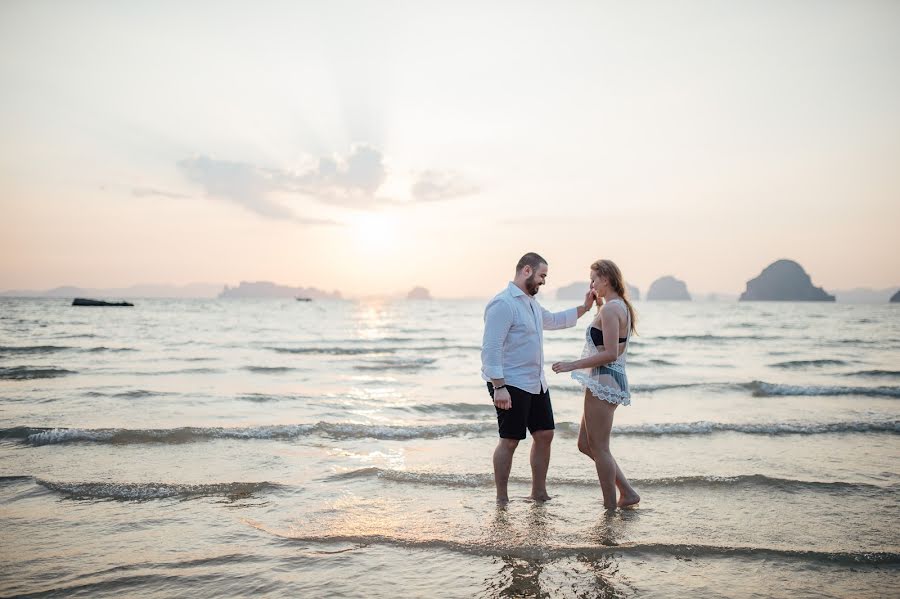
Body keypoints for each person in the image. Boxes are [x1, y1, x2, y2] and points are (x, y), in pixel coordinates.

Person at [481, 252, 594, 503]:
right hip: (509, 382)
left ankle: (538, 493)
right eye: (542, 275)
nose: (543, 281)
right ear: (527, 271)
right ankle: (502, 498)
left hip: (535, 382)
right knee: (509, 441)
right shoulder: (503, 303)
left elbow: (553, 320)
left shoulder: (530, 303)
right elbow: (491, 348)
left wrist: (585, 307)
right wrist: (499, 386)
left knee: (544, 435)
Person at [552, 259, 640, 509]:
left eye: (593, 279)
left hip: (604, 379)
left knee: (600, 448)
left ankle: (610, 509)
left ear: (606, 279)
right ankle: (627, 492)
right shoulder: (614, 307)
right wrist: (596, 307)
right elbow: (606, 341)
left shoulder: (612, 310)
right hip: (607, 379)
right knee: (585, 444)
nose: (591, 284)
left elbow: (611, 352)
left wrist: (572, 364)